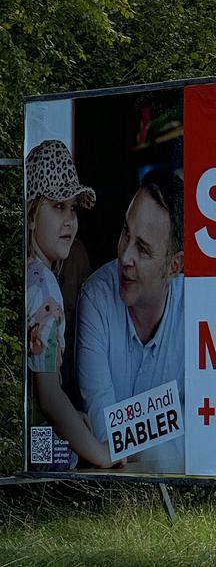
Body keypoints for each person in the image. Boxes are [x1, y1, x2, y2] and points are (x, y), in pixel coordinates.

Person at [78, 171, 185, 473]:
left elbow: (207, 428)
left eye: (143, 248)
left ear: (174, 266)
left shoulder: (195, 310)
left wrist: (126, 427)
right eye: (126, 233)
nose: (125, 257)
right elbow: (103, 431)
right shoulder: (97, 297)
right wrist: (170, 419)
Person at [24, 140, 117, 469]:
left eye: (73, 208)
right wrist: (101, 454)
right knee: (74, 455)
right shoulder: (44, 288)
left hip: (24, 427)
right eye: (57, 206)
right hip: (28, 440)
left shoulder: (28, 273)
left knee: (77, 427)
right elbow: (48, 397)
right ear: (32, 215)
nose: (69, 220)